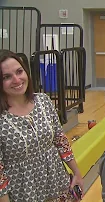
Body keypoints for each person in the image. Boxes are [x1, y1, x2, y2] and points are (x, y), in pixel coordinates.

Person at [0, 49, 84, 201]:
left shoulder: (43, 101)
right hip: (24, 192)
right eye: (7, 77)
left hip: (57, 181)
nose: (17, 80)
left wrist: (76, 172)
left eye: (19, 72)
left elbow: (60, 140)